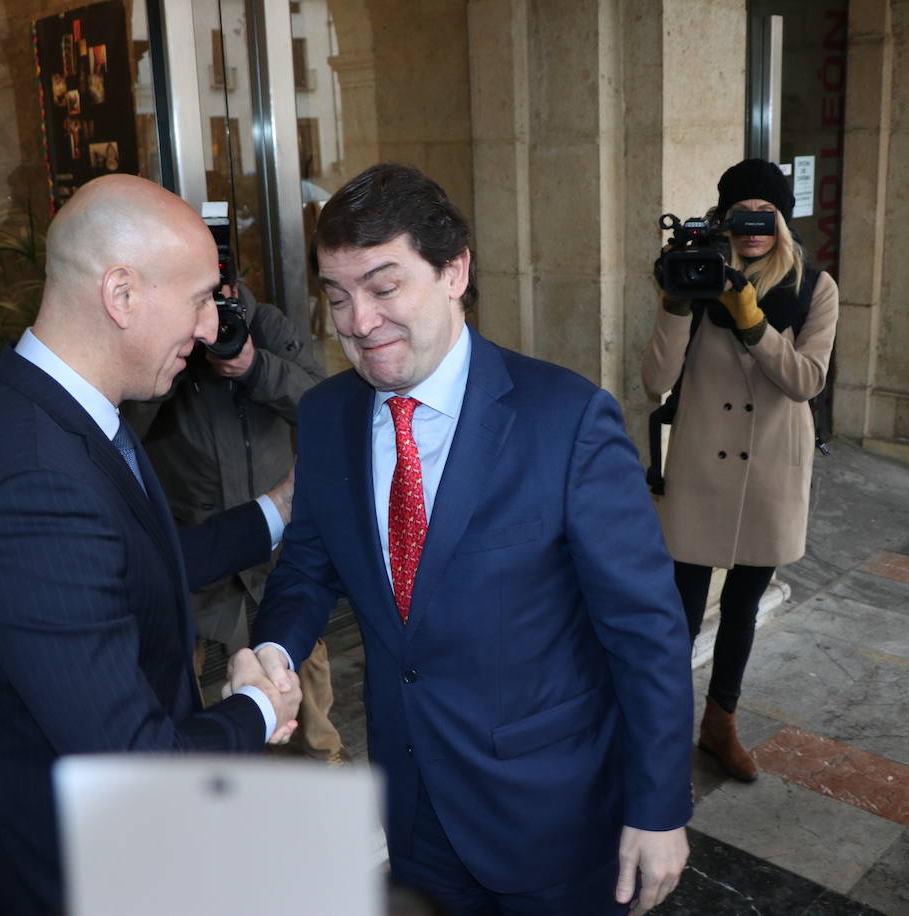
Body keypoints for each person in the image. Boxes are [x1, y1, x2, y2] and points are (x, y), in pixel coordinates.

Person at [249, 163, 694, 916]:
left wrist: (658, 808)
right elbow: (307, 568)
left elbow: (645, 632)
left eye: (384, 287)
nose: (357, 321)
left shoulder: (568, 421)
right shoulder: (327, 417)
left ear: (454, 271)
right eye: (337, 296)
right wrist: (276, 649)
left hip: (551, 819)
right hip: (413, 810)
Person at [0, 174, 302, 915]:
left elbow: (129, 571)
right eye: (199, 299)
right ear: (121, 294)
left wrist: (276, 511)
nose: (207, 329)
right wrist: (257, 707)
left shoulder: (60, 415)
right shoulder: (34, 485)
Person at [642, 158, 840, 783]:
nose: (752, 227)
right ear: (724, 220)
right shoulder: (696, 274)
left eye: (765, 214)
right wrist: (678, 301)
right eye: (740, 215)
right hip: (703, 461)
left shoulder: (814, 286)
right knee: (679, 606)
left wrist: (751, 316)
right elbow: (655, 382)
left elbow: (805, 380)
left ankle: (719, 723)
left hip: (772, 466)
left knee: (744, 606)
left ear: (781, 220)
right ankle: (663, 731)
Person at [123, 283, 350, 764]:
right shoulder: (165, 342)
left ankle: (324, 753)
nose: (211, 323)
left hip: (275, 532)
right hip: (194, 533)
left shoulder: (266, 323)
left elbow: (322, 401)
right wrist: (173, 364)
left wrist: (254, 367)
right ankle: (208, 769)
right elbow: (123, 429)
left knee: (297, 646)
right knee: (185, 659)